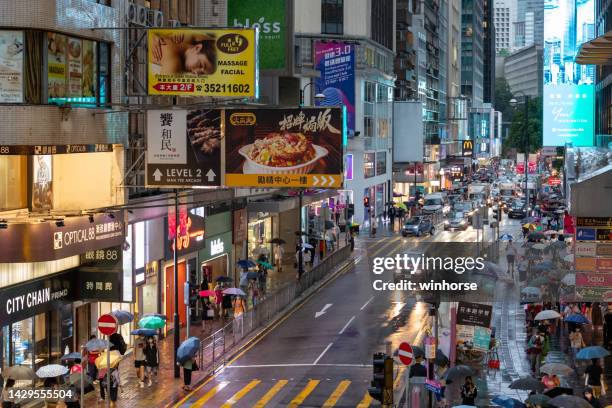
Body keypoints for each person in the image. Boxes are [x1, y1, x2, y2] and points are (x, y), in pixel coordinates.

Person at [150, 32, 217, 75]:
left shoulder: (187, 36)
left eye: (202, 73)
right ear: (197, 48)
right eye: (200, 65)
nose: (196, 73)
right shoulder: (174, 63)